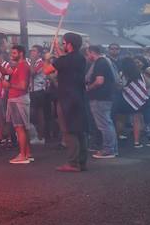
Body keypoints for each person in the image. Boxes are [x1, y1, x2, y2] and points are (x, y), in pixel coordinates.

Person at [44, 33, 89, 172]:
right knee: (80, 130)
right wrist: (57, 48)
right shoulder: (81, 58)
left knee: (69, 131)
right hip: (79, 97)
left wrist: (46, 59)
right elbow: (64, 60)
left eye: (64, 43)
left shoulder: (65, 60)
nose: (63, 45)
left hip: (66, 99)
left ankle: (72, 163)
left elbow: (47, 70)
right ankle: (81, 162)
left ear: (69, 44)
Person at [85, 45, 118, 159]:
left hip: (100, 97)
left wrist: (88, 88)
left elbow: (99, 81)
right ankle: (112, 148)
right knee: (107, 123)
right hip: (106, 97)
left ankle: (108, 150)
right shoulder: (105, 61)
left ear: (92, 52)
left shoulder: (100, 63)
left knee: (104, 124)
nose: (87, 56)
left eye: (87, 53)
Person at [3, 45, 33, 165]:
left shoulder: (22, 66)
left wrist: (9, 85)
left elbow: (23, 86)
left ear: (21, 53)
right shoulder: (20, 66)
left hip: (18, 99)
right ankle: (27, 153)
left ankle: (22, 155)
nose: (12, 55)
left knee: (19, 127)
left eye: (14, 53)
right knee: (22, 128)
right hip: (17, 99)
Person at [114, 57, 147, 148]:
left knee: (120, 119)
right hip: (138, 100)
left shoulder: (122, 74)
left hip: (124, 99)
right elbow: (145, 85)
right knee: (137, 120)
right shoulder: (139, 74)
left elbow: (119, 86)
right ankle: (137, 142)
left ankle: (116, 138)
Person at [134, 56, 150, 146]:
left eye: (139, 62)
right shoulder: (141, 71)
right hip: (149, 93)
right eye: (135, 62)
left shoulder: (147, 69)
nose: (138, 64)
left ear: (143, 61)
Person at [29, 46, 49, 145]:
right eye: (31, 51)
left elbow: (32, 73)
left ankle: (41, 137)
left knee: (39, 114)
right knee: (34, 114)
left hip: (38, 91)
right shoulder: (32, 62)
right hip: (32, 91)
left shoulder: (41, 63)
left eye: (34, 51)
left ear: (39, 53)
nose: (32, 52)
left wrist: (32, 62)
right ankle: (38, 135)